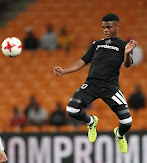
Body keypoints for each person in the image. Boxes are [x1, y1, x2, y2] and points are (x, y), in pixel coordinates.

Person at [54, 13, 137, 153]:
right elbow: (82, 61)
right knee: (71, 110)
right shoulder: (97, 44)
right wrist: (64, 71)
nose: (105, 30)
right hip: (91, 84)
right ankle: (91, 122)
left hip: (110, 87)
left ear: (117, 26)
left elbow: (127, 65)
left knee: (127, 122)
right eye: (103, 27)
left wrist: (127, 53)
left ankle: (120, 134)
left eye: (108, 27)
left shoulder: (124, 45)